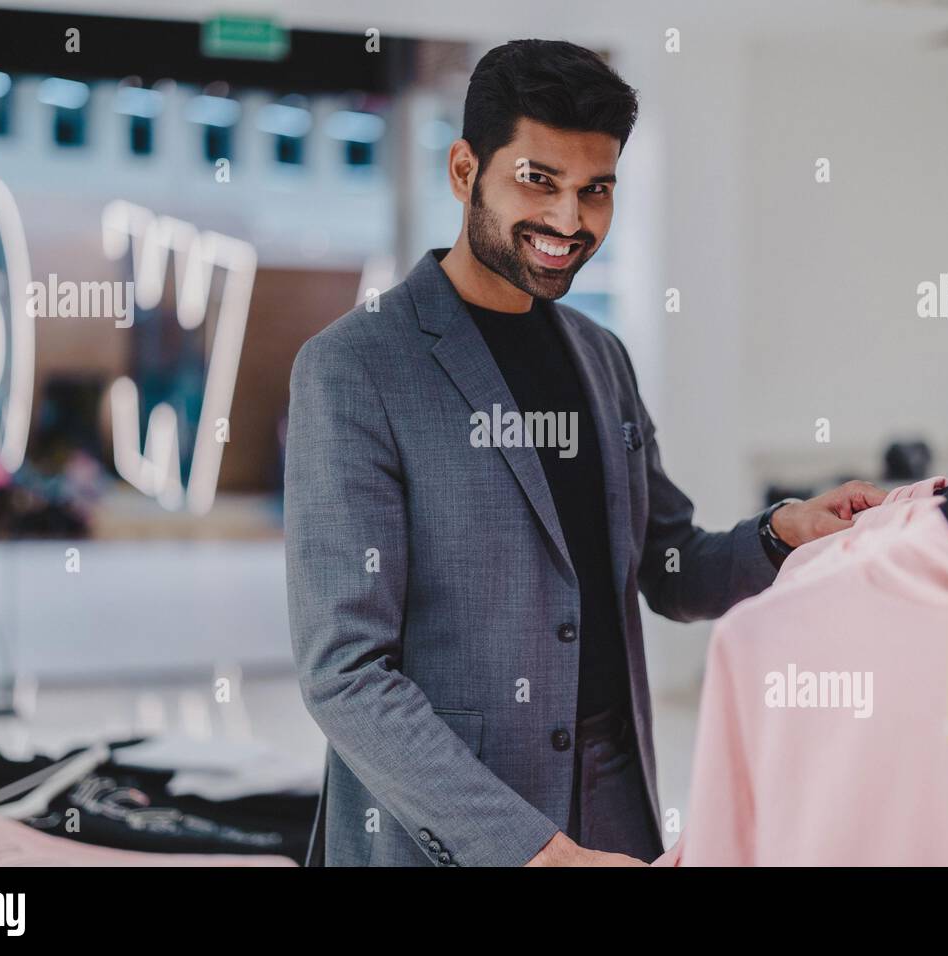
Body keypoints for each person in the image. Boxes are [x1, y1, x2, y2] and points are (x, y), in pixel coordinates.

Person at [284, 38, 884, 867]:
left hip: (613, 802)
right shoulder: (355, 365)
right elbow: (345, 674)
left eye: (594, 190)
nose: (569, 222)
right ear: (465, 171)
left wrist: (782, 532)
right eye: (539, 181)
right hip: (446, 832)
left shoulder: (600, 356)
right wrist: (536, 851)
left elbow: (668, 566)